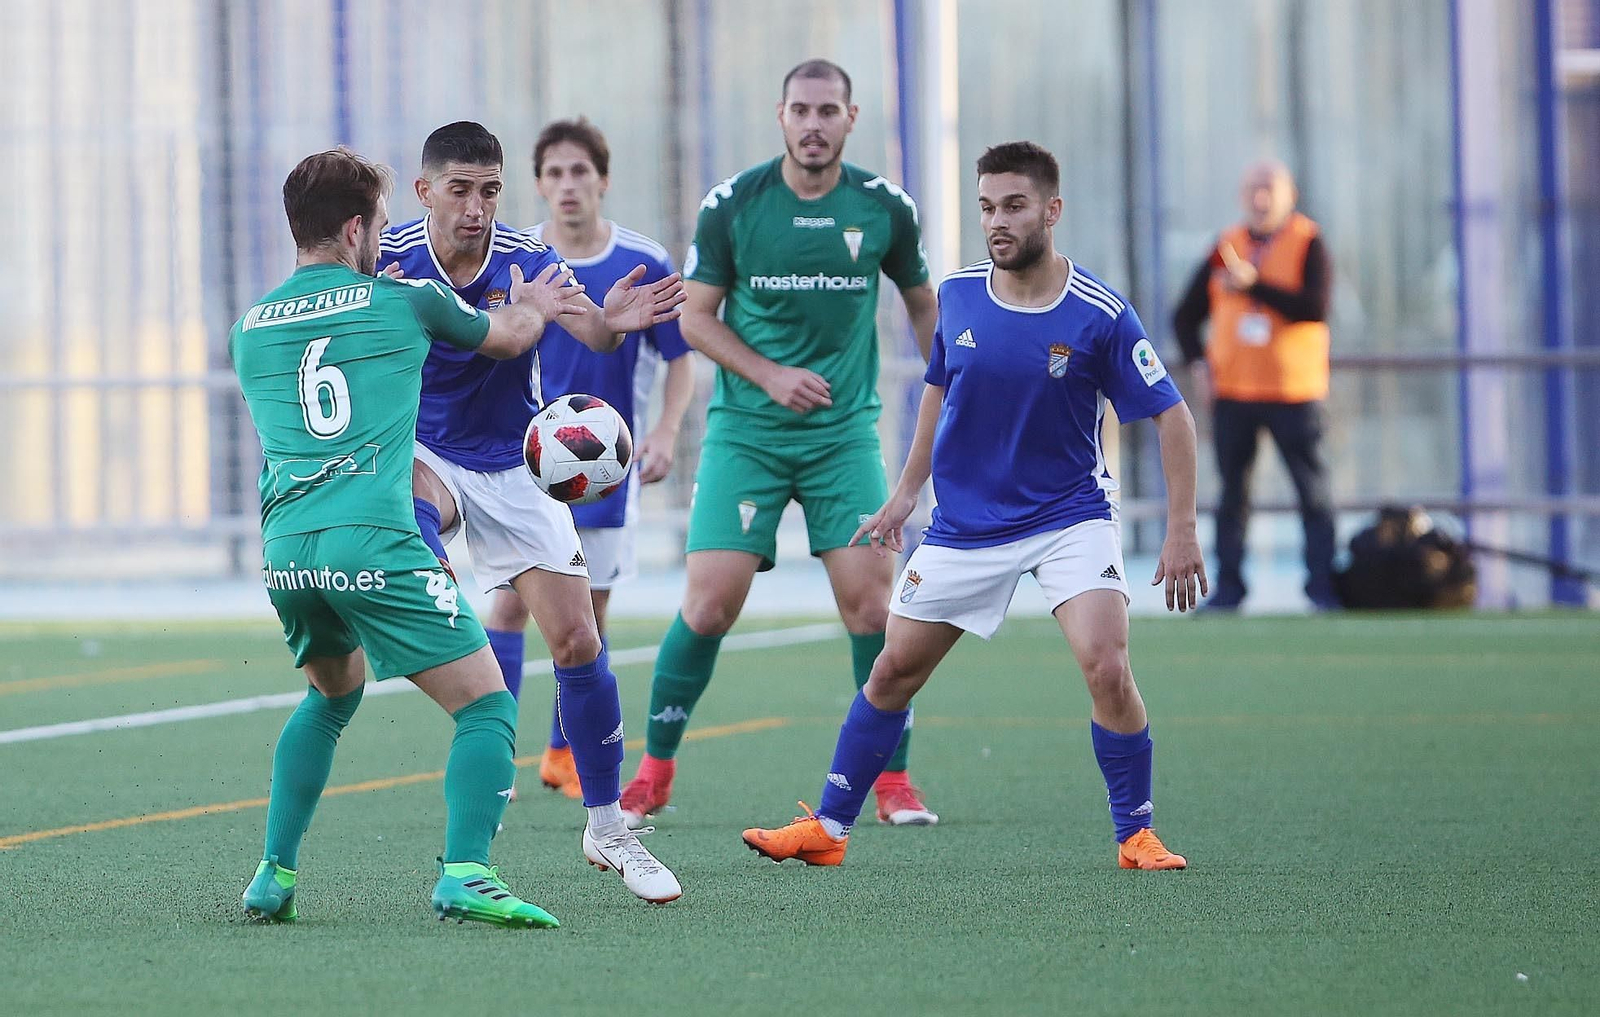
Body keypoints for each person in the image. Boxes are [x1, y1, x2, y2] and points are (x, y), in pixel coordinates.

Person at [741, 141, 1203, 870]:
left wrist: (1182, 530)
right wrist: (904, 495)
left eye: (1014, 206)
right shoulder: (957, 295)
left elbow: (1173, 417)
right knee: (892, 672)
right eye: (987, 207)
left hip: (1069, 516)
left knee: (1107, 665)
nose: (997, 221)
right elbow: (938, 389)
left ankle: (1135, 834)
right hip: (965, 526)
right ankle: (828, 828)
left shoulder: (1101, 313)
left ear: (1052, 210)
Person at [234, 146, 588, 927]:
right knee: (487, 706)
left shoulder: (249, 328)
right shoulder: (406, 300)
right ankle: (467, 872)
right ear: (355, 229)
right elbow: (509, 335)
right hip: (373, 538)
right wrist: (536, 302)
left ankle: (272, 872)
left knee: (332, 694)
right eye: (381, 222)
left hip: (287, 550)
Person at [619, 59, 943, 830]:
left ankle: (893, 781)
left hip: (843, 435)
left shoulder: (885, 207)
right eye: (801, 110)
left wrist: (957, 383)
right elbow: (694, 318)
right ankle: (653, 773)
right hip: (748, 433)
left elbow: (925, 306)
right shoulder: (733, 206)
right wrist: (769, 375)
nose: (814, 124)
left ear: (850, 118)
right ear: (781, 115)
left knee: (873, 606)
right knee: (708, 604)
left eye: (828, 111)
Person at [376, 122, 685, 904]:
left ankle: (607, 827)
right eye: (459, 190)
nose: (476, 207)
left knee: (579, 638)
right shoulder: (388, 255)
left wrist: (612, 320)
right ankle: (434, 604)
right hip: (428, 447)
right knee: (411, 508)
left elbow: (594, 329)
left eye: (489, 190)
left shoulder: (526, 255)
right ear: (425, 190)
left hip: (515, 462)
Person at [481, 118, 696, 800]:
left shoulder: (642, 260)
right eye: (554, 173)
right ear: (539, 184)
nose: (568, 184)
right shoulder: (519, 259)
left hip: (604, 473)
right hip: (522, 464)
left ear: (603, 180)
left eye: (580, 171)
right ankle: (495, 756)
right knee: (508, 609)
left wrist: (664, 433)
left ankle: (562, 753)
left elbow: (679, 359)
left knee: (585, 622)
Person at [1171, 159, 1336, 611]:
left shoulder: (1308, 241)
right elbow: (1184, 316)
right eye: (1252, 189)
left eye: (1269, 188)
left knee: (1312, 491)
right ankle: (1228, 588)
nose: (1260, 198)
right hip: (1235, 393)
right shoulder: (1226, 245)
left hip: (1293, 392)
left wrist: (1255, 285)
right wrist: (1198, 363)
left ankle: (1322, 586)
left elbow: (1315, 307)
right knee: (1232, 495)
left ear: (1289, 194)